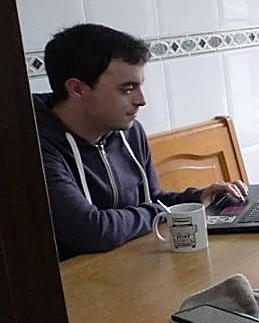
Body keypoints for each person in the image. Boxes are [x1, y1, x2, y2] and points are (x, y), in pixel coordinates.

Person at [34, 23, 246, 260]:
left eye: (139, 86)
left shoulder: (129, 131)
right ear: (77, 89)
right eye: (127, 89)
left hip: (130, 266)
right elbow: (90, 231)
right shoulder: (36, 145)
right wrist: (165, 213)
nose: (141, 100)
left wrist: (197, 198)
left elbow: (151, 199)